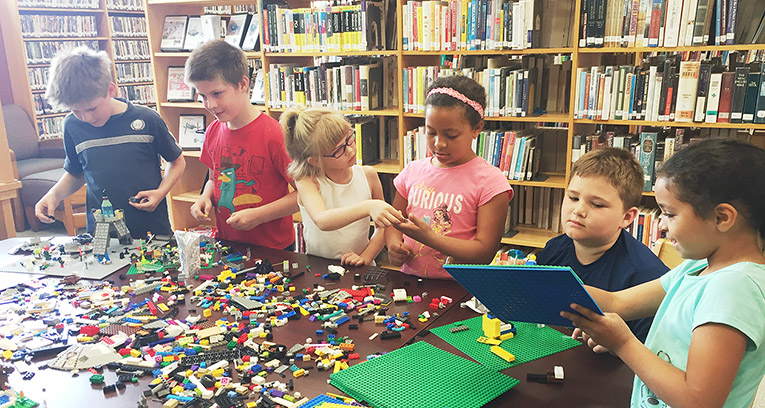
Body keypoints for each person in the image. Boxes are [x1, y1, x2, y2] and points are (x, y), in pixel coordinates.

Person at [561, 139, 765, 408]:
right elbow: (619, 303)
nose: (662, 225)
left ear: (723, 217)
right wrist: (533, 284)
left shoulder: (733, 288)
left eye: (669, 213)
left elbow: (700, 402)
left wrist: (623, 343)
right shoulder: (699, 268)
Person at [35, 47, 185, 237]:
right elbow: (75, 173)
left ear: (111, 90)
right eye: (76, 111)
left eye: (92, 108)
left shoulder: (147, 119)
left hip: (151, 228)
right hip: (102, 232)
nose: (86, 117)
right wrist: (53, 195)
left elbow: (177, 161)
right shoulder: (72, 125)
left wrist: (161, 192)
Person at [385, 75, 512, 279]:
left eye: (451, 135)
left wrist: (430, 238)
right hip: (410, 283)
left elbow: (484, 252)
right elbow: (394, 221)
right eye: (431, 132)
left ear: (477, 128)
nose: (439, 144)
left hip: (459, 289)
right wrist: (393, 245)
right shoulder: (412, 171)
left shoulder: (490, 182)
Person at [536, 147, 668, 343]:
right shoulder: (554, 249)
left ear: (627, 217)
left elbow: (648, 353)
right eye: (573, 198)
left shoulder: (646, 278)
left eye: (596, 204)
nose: (578, 210)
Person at [186, 40, 297, 248]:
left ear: (243, 84)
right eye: (203, 96)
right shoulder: (213, 131)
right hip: (227, 244)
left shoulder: (275, 134)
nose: (210, 105)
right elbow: (214, 179)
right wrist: (204, 197)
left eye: (217, 93)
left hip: (274, 249)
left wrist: (259, 215)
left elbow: (305, 194)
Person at [281, 108, 404, 265]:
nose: (350, 150)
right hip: (319, 270)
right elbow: (322, 220)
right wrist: (368, 206)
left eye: (349, 139)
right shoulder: (308, 181)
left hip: (359, 268)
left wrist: (365, 257)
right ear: (316, 161)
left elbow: (382, 228)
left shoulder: (368, 175)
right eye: (339, 150)